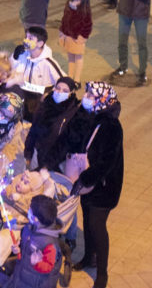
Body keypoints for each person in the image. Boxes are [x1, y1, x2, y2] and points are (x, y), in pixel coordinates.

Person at [55, 81, 123, 288]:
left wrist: (85, 179)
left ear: (103, 100)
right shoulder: (94, 117)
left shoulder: (111, 125)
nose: (87, 97)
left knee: (97, 226)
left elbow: (107, 161)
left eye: (92, 95)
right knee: (88, 221)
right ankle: (88, 258)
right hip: (88, 183)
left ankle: (102, 274)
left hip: (103, 187)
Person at [24, 76, 80, 171]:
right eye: (58, 88)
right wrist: (28, 154)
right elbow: (33, 131)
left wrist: (47, 166)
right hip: (38, 155)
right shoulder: (44, 105)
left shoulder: (74, 114)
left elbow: (65, 144)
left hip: (56, 163)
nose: (60, 92)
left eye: (65, 91)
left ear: (71, 93)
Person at [7, 195, 64, 288]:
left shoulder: (50, 243)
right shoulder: (30, 227)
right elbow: (26, 244)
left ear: (35, 218)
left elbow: (49, 266)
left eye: (30, 209)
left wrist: (37, 263)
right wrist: (19, 248)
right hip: (22, 274)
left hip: (35, 282)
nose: (28, 209)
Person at [9, 25, 64, 120]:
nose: (26, 40)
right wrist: (15, 57)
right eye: (26, 37)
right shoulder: (22, 55)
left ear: (40, 43)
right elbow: (8, 69)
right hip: (21, 96)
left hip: (37, 101)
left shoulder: (48, 63)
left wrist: (49, 95)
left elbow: (63, 81)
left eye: (30, 38)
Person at [58, 0, 92, 81]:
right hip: (68, 35)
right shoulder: (70, 2)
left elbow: (88, 25)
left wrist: (83, 36)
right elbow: (65, 17)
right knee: (70, 57)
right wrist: (62, 30)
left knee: (78, 57)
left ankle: (77, 79)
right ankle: (70, 76)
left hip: (77, 37)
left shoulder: (84, 7)